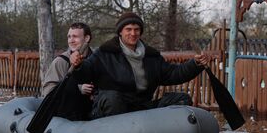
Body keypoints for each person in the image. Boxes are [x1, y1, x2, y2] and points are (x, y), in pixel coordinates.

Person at [70, 12, 210, 119]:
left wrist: (195, 64)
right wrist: (77, 65)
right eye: (128, 29)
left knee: (182, 98)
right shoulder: (105, 53)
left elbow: (173, 74)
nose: (133, 33)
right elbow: (85, 72)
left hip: (142, 107)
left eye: (137, 29)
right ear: (120, 31)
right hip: (112, 109)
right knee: (112, 98)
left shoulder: (151, 56)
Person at [42, 22, 94, 121]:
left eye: (75, 37)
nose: (71, 41)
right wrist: (78, 89)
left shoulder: (97, 60)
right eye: (69, 37)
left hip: (92, 110)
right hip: (67, 114)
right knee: (70, 83)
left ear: (87, 38)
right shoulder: (60, 62)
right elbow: (49, 92)